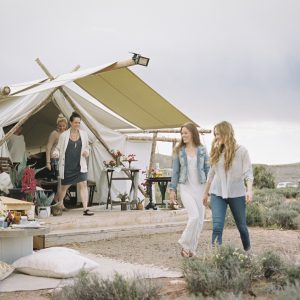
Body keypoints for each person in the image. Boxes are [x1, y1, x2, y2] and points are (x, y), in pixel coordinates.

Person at [202, 121, 253, 251]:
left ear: (226, 133)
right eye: (215, 134)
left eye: (218, 133)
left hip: (237, 194)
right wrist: (205, 193)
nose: (216, 137)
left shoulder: (242, 151)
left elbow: (248, 173)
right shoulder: (216, 151)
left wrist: (249, 191)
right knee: (217, 226)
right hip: (217, 194)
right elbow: (211, 174)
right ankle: (216, 257)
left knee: (242, 227)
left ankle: (248, 252)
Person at [169, 122, 209, 257]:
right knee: (194, 217)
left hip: (201, 188)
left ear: (193, 133)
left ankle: (191, 250)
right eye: (182, 133)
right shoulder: (178, 150)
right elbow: (175, 172)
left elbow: (208, 169)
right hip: (185, 188)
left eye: (186, 133)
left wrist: (210, 189)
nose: (183, 135)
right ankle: (185, 243)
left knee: (200, 221)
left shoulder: (202, 150)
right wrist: (172, 189)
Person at [53, 111, 94, 216]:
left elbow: (87, 147)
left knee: (83, 184)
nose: (77, 124)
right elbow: (58, 148)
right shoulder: (64, 135)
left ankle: (85, 208)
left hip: (80, 165)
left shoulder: (84, 134)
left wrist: (87, 152)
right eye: (75, 122)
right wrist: (56, 153)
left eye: (79, 123)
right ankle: (59, 204)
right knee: (64, 188)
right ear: (71, 123)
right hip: (67, 165)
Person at [46, 114, 68, 178]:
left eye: (63, 126)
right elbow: (48, 147)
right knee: (59, 178)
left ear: (66, 125)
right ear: (57, 125)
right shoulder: (55, 133)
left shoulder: (67, 133)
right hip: (55, 159)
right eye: (60, 126)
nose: (62, 128)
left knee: (65, 178)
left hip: (64, 159)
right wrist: (48, 162)